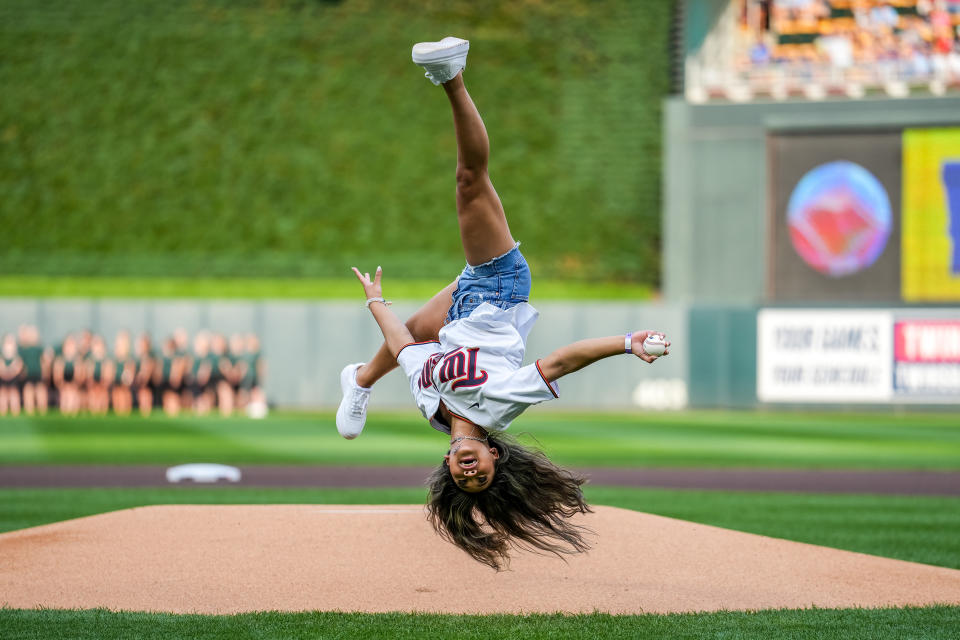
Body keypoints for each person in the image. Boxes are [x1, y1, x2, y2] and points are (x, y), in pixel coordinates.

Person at [336, 37, 670, 570]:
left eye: (462, 479)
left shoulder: (432, 408)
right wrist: (628, 343)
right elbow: (563, 360)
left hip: (460, 308)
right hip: (498, 288)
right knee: (470, 181)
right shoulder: (499, 406)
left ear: (448, 465)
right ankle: (451, 77)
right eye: (481, 476)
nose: (470, 472)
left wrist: (376, 303)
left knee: (419, 328)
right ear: (495, 456)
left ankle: (358, 381)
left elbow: (404, 347)